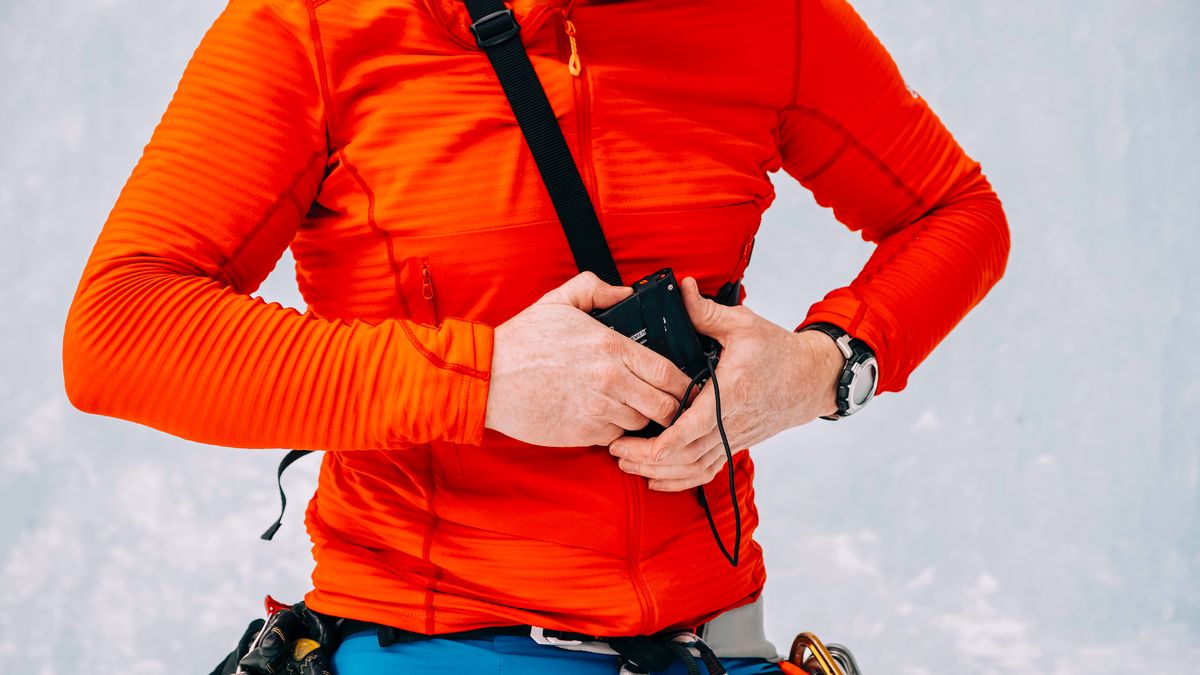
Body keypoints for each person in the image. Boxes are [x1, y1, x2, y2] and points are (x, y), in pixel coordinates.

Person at [62, 0, 1010, 673]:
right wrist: (484, 378)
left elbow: (957, 213)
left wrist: (823, 366)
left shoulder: (769, 15)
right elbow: (119, 328)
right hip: (434, 640)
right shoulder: (313, 24)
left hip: (716, 641)